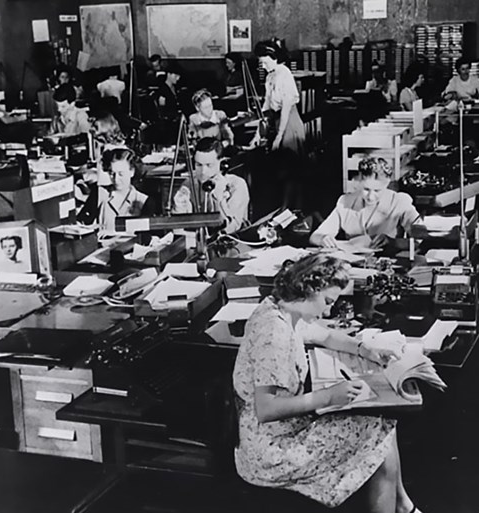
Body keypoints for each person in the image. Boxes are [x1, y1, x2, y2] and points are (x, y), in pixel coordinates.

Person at [233, 253, 420, 512]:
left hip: (282, 431)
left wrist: (365, 349)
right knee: (378, 431)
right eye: (328, 301)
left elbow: (326, 335)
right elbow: (265, 409)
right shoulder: (273, 333)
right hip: (271, 451)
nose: (330, 310)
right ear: (310, 290)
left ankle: (402, 505)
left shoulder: (282, 309)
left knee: (381, 421)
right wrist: (329, 396)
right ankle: (402, 506)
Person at [310, 157, 420, 249]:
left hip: (388, 264)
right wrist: (323, 239)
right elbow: (315, 236)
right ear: (358, 181)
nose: (371, 197)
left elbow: (420, 239)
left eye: (377, 191)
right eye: (366, 189)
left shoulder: (400, 202)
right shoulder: (345, 202)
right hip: (353, 264)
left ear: (387, 185)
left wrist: (392, 242)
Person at [251, 39, 305, 208]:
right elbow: (266, 107)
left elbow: (287, 106)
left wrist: (279, 136)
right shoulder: (270, 77)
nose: (264, 66)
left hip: (289, 122)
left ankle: (294, 208)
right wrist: (257, 134)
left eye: (265, 62)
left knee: (292, 168)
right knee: (282, 168)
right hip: (277, 120)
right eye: (261, 63)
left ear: (273, 57)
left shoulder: (284, 73)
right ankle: (284, 207)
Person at [172, 137, 249, 234]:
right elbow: (178, 229)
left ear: (221, 163)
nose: (203, 172)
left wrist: (220, 199)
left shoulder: (237, 185)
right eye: (199, 165)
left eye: (209, 165)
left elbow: (231, 227)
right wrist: (179, 208)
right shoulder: (189, 184)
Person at [96, 147, 155, 232]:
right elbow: (82, 226)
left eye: (121, 174)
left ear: (132, 172)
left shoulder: (144, 201)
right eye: (112, 174)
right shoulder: (99, 194)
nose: (116, 179)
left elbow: (145, 237)